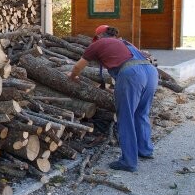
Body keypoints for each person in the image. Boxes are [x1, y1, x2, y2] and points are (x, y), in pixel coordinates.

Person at [68, 25, 159, 172]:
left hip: (132, 74)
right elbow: (143, 56)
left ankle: (128, 162)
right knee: (141, 113)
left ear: (97, 37)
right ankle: (145, 150)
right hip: (151, 72)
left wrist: (72, 77)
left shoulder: (97, 44)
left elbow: (78, 67)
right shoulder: (125, 43)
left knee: (126, 117)